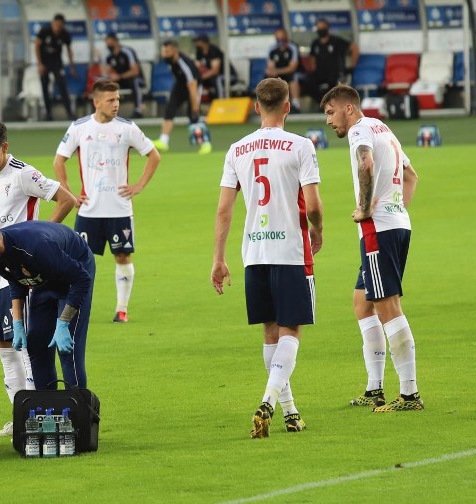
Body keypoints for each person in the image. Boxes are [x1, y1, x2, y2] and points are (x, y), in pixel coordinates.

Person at [211, 78, 323, 438]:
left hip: (253, 252)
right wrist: (317, 230)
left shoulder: (236, 150)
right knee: (291, 330)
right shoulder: (301, 146)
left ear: (256, 107)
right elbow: (314, 203)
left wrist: (219, 258)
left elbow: (224, 210)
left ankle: (290, 412)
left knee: (270, 331)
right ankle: (268, 402)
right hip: (290, 250)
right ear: (287, 106)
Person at [320, 84, 422, 412]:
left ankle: (409, 394)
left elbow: (366, 164)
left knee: (386, 304)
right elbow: (411, 176)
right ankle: (374, 388)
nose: (328, 121)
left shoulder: (360, 131)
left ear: (349, 108)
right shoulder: (384, 128)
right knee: (362, 303)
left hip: (378, 229)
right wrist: (397, 209)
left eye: (330, 112)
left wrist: (366, 208)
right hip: (395, 224)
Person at [0, 118, 77, 437]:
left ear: (5, 147)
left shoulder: (23, 174)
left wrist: (41, 236)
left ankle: (40, 417)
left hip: (20, 274)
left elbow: (67, 200)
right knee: (3, 345)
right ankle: (20, 415)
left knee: (26, 347)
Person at [54, 80, 160, 323]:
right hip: (89, 210)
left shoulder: (127, 128)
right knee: (79, 261)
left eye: (118, 99)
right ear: (97, 102)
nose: (116, 104)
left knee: (122, 256)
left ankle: (122, 309)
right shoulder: (80, 127)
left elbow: (154, 156)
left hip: (119, 208)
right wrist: (69, 193)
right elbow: (59, 161)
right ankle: (75, 309)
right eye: (111, 100)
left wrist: (139, 185)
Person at [0, 218, 95, 390]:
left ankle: (78, 413)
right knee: (36, 347)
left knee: (67, 350)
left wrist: (63, 323)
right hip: (44, 274)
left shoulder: (36, 248)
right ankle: (47, 412)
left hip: (74, 271)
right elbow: (16, 281)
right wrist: (18, 324)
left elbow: (82, 279)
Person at [152, 39, 210, 154]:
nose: (165, 54)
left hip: (193, 87)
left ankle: (205, 144)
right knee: (169, 111)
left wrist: (195, 106)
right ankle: (164, 141)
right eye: (163, 51)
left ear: (175, 51)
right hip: (180, 86)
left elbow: (193, 85)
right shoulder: (170, 61)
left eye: (167, 52)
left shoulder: (184, 63)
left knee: (193, 116)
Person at [34, 13, 76, 121]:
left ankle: (69, 112)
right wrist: (39, 64)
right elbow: (37, 45)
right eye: (56, 24)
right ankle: (48, 114)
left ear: (62, 25)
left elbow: (69, 49)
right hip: (44, 62)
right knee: (45, 86)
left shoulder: (64, 34)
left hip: (56, 62)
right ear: (53, 23)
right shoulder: (45, 31)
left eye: (60, 25)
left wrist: (72, 66)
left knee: (62, 84)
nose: (57, 27)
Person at [307, 18, 359, 104]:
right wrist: (313, 69)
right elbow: (312, 57)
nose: (321, 30)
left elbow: (354, 48)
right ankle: (322, 104)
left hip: (335, 74)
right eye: (319, 28)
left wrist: (352, 65)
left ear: (327, 28)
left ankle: (330, 105)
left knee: (334, 89)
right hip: (320, 73)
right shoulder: (315, 43)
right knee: (309, 84)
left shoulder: (336, 41)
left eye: (323, 28)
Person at [104, 32, 145, 118]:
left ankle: (138, 110)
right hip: (120, 81)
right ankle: (107, 111)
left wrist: (120, 76)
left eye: (109, 42)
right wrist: (111, 76)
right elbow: (107, 72)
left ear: (115, 41)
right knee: (106, 84)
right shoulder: (109, 56)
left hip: (134, 79)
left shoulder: (127, 52)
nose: (107, 45)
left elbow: (135, 71)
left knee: (135, 81)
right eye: (106, 43)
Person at [266, 28, 302, 112]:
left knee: (293, 76)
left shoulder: (292, 47)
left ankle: (296, 105)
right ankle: (271, 105)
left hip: (291, 72)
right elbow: (270, 65)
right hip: (278, 73)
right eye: (278, 39)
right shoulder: (272, 49)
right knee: (268, 77)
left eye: (282, 39)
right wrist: (272, 72)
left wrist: (278, 71)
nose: (281, 41)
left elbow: (293, 67)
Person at [193, 33, 239, 100]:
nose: (195, 43)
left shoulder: (214, 50)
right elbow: (198, 65)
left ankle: (220, 101)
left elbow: (215, 71)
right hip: (211, 76)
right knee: (194, 80)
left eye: (197, 41)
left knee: (218, 79)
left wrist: (201, 77)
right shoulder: (199, 51)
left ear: (204, 42)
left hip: (229, 76)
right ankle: (197, 102)